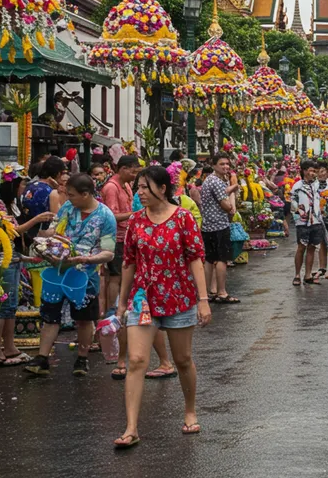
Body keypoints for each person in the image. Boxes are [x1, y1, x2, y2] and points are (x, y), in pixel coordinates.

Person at [115, 166, 211, 448]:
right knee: (136, 360)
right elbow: (128, 263)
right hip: (142, 299)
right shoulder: (135, 221)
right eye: (138, 187)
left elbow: (195, 258)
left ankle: (190, 410)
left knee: (182, 359)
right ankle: (131, 428)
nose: (140, 193)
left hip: (179, 298)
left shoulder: (183, 218)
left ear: (163, 188)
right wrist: (121, 303)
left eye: (145, 187)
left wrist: (203, 300)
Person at [25, 174, 117, 378]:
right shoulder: (67, 208)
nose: (68, 198)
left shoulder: (106, 216)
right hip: (58, 269)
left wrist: (85, 259)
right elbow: (54, 231)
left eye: (72, 195)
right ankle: (42, 358)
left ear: (86, 194)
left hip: (85, 275)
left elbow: (108, 252)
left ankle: (82, 358)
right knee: (50, 316)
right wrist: (43, 240)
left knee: (84, 319)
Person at [0, 174, 53, 367]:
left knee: (11, 306)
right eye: (23, 184)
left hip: (14, 257)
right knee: (1, 306)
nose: (25, 188)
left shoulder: (14, 205)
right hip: (3, 260)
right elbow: (13, 231)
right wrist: (36, 219)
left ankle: (9, 346)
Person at [100, 155, 139, 378]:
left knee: (123, 277)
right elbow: (111, 216)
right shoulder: (112, 187)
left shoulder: (125, 185)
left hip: (126, 237)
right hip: (116, 238)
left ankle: (119, 308)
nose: (134, 175)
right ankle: (113, 312)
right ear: (122, 168)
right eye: (132, 171)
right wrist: (136, 215)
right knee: (115, 277)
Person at [199, 153, 239, 304]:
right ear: (214, 165)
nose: (225, 166)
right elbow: (226, 206)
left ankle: (208, 292)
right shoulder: (216, 181)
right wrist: (232, 204)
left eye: (227, 164)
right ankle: (222, 292)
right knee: (222, 259)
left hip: (208, 225)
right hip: (219, 225)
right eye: (222, 164)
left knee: (209, 259)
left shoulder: (210, 180)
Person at [290, 160, 324, 285]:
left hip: (316, 221)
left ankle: (308, 274)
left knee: (312, 247)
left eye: (315, 171)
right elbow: (293, 203)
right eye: (311, 171)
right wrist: (299, 214)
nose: (313, 173)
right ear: (304, 171)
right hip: (302, 222)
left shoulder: (317, 185)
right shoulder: (297, 186)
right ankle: (297, 275)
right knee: (301, 247)